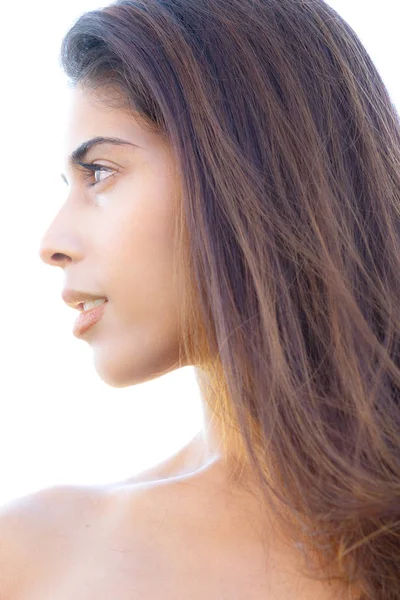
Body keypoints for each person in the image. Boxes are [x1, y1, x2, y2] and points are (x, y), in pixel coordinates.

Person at [1, 0, 399, 597]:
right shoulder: (34, 557)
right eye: (68, 185)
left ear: (249, 165)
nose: (51, 243)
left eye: (100, 172)